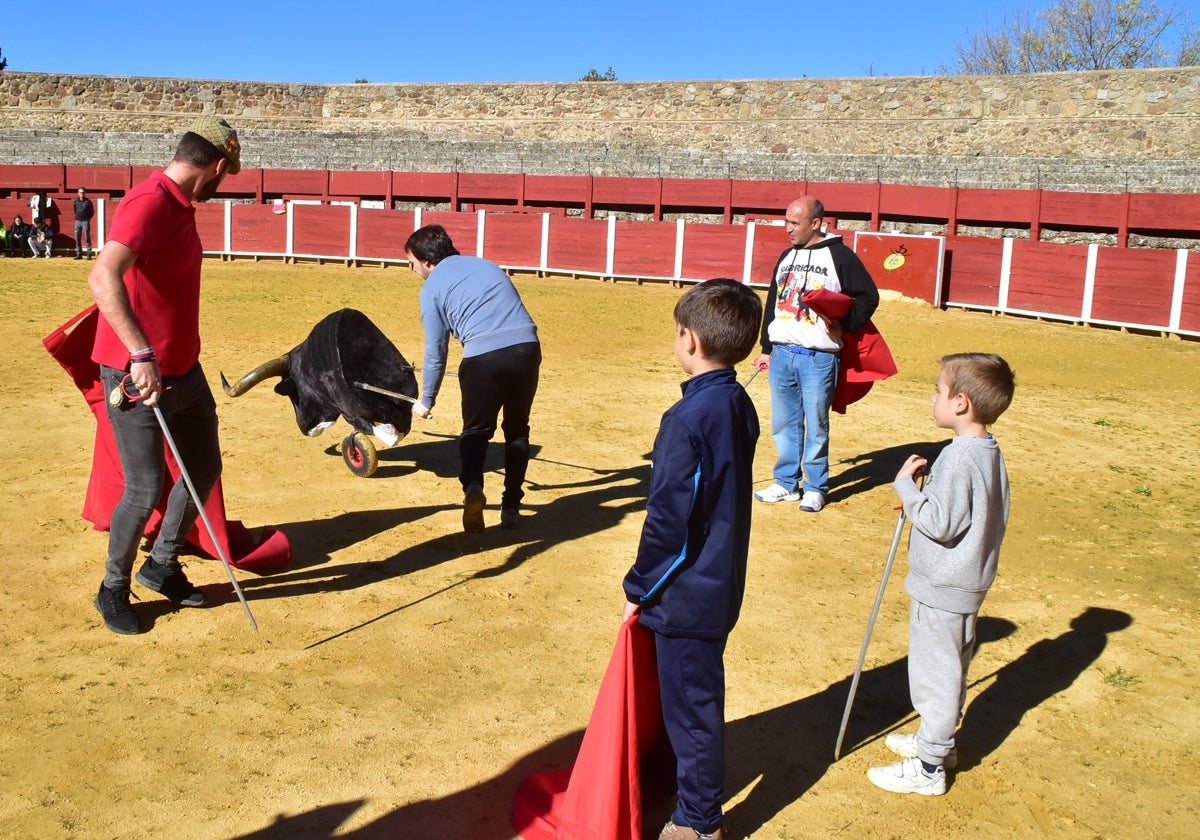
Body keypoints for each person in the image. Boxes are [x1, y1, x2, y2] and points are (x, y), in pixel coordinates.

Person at [88, 115, 242, 635]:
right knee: (144, 486)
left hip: (185, 371)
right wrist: (140, 354)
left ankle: (162, 564)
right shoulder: (151, 202)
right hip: (138, 375)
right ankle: (112, 587)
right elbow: (102, 276)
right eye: (228, 174)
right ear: (217, 166)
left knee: (203, 466)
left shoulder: (179, 204)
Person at [621, 278, 762, 840]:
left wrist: (641, 584)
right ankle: (676, 780)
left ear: (689, 340)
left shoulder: (686, 420)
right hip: (717, 577)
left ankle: (700, 821)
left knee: (692, 704)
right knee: (682, 694)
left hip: (685, 590)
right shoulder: (737, 401)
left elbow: (670, 519)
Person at [866, 352, 1015, 796]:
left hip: (944, 586)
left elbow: (941, 523)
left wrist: (909, 492)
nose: (932, 397)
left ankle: (929, 766)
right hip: (967, 583)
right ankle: (938, 742)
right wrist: (927, 496)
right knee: (951, 667)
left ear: (961, 403)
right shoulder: (987, 451)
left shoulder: (958, 457)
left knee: (936, 674)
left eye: (938, 390)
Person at [404, 224, 541, 533]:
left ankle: (473, 488)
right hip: (527, 348)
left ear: (426, 260)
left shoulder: (431, 288)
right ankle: (511, 507)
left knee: (476, 432)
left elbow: (436, 351)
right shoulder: (486, 264)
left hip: (483, 357)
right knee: (517, 431)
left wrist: (426, 400)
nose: (412, 270)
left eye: (411, 262)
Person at [751, 195, 880, 513]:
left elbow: (868, 296)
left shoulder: (840, 256)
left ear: (816, 223)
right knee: (784, 423)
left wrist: (845, 325)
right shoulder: (786, 256)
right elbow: (774, 302)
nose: (787, 228)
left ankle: (816, 487)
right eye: (786, 221)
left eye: (794, 222)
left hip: (818, 357)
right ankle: (785, 483)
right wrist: (767, 348)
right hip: (782, 352)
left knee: (816, 424)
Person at [73, 187, 95, 259]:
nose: (81, 194)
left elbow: (92, 212)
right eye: (80, 192)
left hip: (85, 221)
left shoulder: (88, 202)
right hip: (78, 221)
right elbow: (75, 210)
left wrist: (87, 218)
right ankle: (79, 254)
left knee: (87, 237)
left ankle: (89, 254)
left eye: (82, 192)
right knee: (77, 238)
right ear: (78, 193)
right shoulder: (76, 201)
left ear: (85, 193)